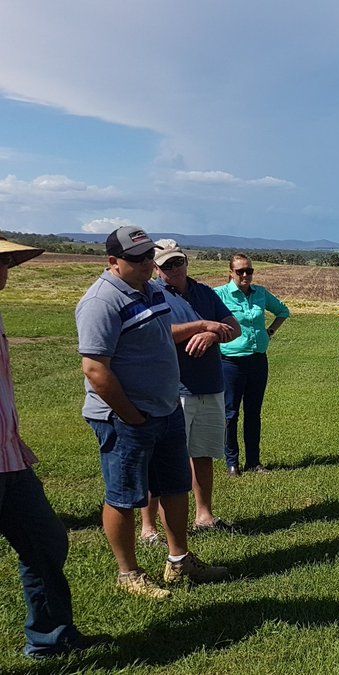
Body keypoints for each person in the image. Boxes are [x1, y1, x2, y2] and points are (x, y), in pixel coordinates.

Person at [76, 226, 229, 600]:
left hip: (165, 409)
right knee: (124, 495)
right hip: (125, 417)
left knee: (175, 486)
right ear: (113, 261)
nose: (146, 264)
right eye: (137, 258)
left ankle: (179, 561)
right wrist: (131, 416)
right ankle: (129, 574)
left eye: (149, 256)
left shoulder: (153, 291)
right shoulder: (101, 302)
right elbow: (95, 369)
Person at [0, 238, 108, 658]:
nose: (6, 269)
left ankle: (51, 640)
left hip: (9, 457)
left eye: (8, 261)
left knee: (46, 542)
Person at [140, 240, 240, 543]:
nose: (174, 269)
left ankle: (204, 515)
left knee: (203, 453)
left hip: (210, 385)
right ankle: (148, 527)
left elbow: (233, 327)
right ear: (155, 268)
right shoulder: (151, 294)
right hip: (173, 389)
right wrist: (203, 325)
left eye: (178, 262)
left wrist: (212, 335)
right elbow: (158, 333)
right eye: (167, 265)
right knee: (162, 459)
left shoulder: (205, 292)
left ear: (186, 261)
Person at [214, 254, 290, 476]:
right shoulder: (219, 295)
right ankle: (232, 462)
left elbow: (283, 311)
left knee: (253, 413)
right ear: (231, 273)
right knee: (230, 414)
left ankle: (254, 461)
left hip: (257, 360)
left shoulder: (261, 294)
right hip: (231, 362)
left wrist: (270, 331)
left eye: (249, 270)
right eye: (240, 271)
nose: (245, 275)